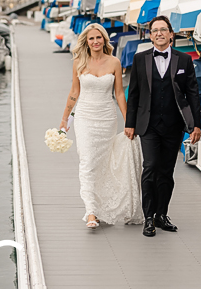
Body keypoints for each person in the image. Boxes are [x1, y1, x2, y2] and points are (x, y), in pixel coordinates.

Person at [61, 23, 144, 229]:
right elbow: (74, 92)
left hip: (107, 118)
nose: (95, 41)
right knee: (87, 162)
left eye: (99, 38)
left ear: (104, 40)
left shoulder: (114, 62)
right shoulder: (79, 62)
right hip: (85, 117)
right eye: (91, 38)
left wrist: (128, 122)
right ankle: (90, 211)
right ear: (86, 42)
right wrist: (64, 120)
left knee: (104, 163)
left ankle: (101, 207)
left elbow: (118, 94)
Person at [125, 16, 201, 237]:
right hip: (147, 125)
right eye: (154, 30)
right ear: (150, 35)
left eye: (163, 30)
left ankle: (161, 215)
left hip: (173, 124)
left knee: (166, 172)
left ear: (171, 34)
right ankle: (148, 217)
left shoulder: (184, 60)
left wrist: (196, 124)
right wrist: (130, 123)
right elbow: (134, 95)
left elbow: (193, 94)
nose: (159, 33)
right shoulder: (140, 59)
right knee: (150, 167)